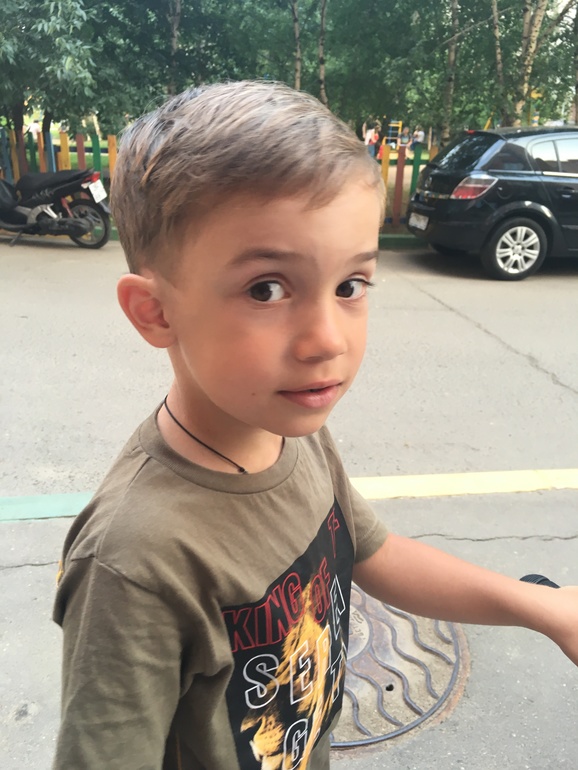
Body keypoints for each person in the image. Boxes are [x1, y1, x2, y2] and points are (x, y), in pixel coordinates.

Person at [52, 81, 578, 770]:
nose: (328, 339)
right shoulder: (135, 563)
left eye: (350, 286)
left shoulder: (290, 430)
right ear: (156, 313)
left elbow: (373, 554)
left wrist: (542, 608)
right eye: (266, 289)